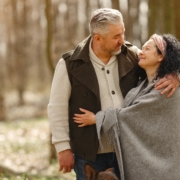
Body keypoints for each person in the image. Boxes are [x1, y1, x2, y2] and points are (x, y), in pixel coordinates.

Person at [47, 8, 179, 180]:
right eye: (116, 37)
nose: (122, 41)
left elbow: (164, 61)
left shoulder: (131, 55)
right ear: (98, 38)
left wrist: (176, 75)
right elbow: (57, 107)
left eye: (122, 33)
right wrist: (63, 148)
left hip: (125, 150)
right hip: (89, 152)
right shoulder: (69, 64)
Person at [73, 34, 180, 180]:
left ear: (161, 56)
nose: (141, 52)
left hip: (164, 166)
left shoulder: (167, 88)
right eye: (142, 48)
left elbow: (131, 115)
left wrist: (97, 118)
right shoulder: (141, 86)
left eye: (147, 49)